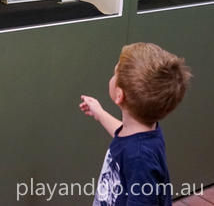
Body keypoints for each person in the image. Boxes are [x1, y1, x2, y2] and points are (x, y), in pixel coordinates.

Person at [79, 43, 191, 206]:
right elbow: (125, 137)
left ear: (119, 95)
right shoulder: (146, 133)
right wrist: (100, 113)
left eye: (114, 73)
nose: (112, 76)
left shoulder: (140, 159)